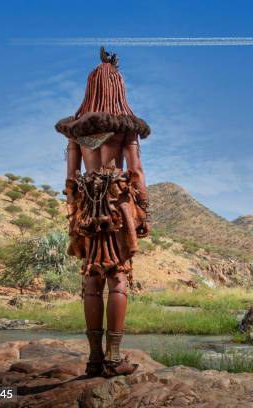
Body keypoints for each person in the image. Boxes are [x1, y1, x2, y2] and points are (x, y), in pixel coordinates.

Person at [55, 47, 151, 377]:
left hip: (86, 204)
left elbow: (70, 179)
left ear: (91, 87)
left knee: (92, 277)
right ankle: (113, 358)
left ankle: (94, 359)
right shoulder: (126, 127)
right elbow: (135, 172)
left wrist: (75, 211)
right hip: (116, 205)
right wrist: (143, 210)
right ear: (117, 87)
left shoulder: (76, 130)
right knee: (119, 276)